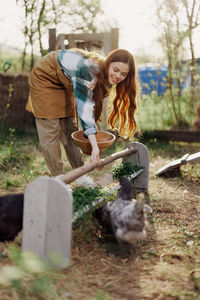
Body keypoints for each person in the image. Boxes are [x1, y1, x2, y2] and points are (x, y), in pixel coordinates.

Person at [26, 48, 139, 183]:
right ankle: (58, 179)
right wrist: (95, 147)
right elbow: (84, 108)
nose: (118, 76)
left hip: (64, 80)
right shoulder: (87, 72)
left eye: (123, 74)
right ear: (109, 63)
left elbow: (90, 105)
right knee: (50, 129)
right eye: (115, 70)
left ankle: (79, 175)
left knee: (69, 128)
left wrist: (95, 143)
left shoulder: (105, 76)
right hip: (46, 75)